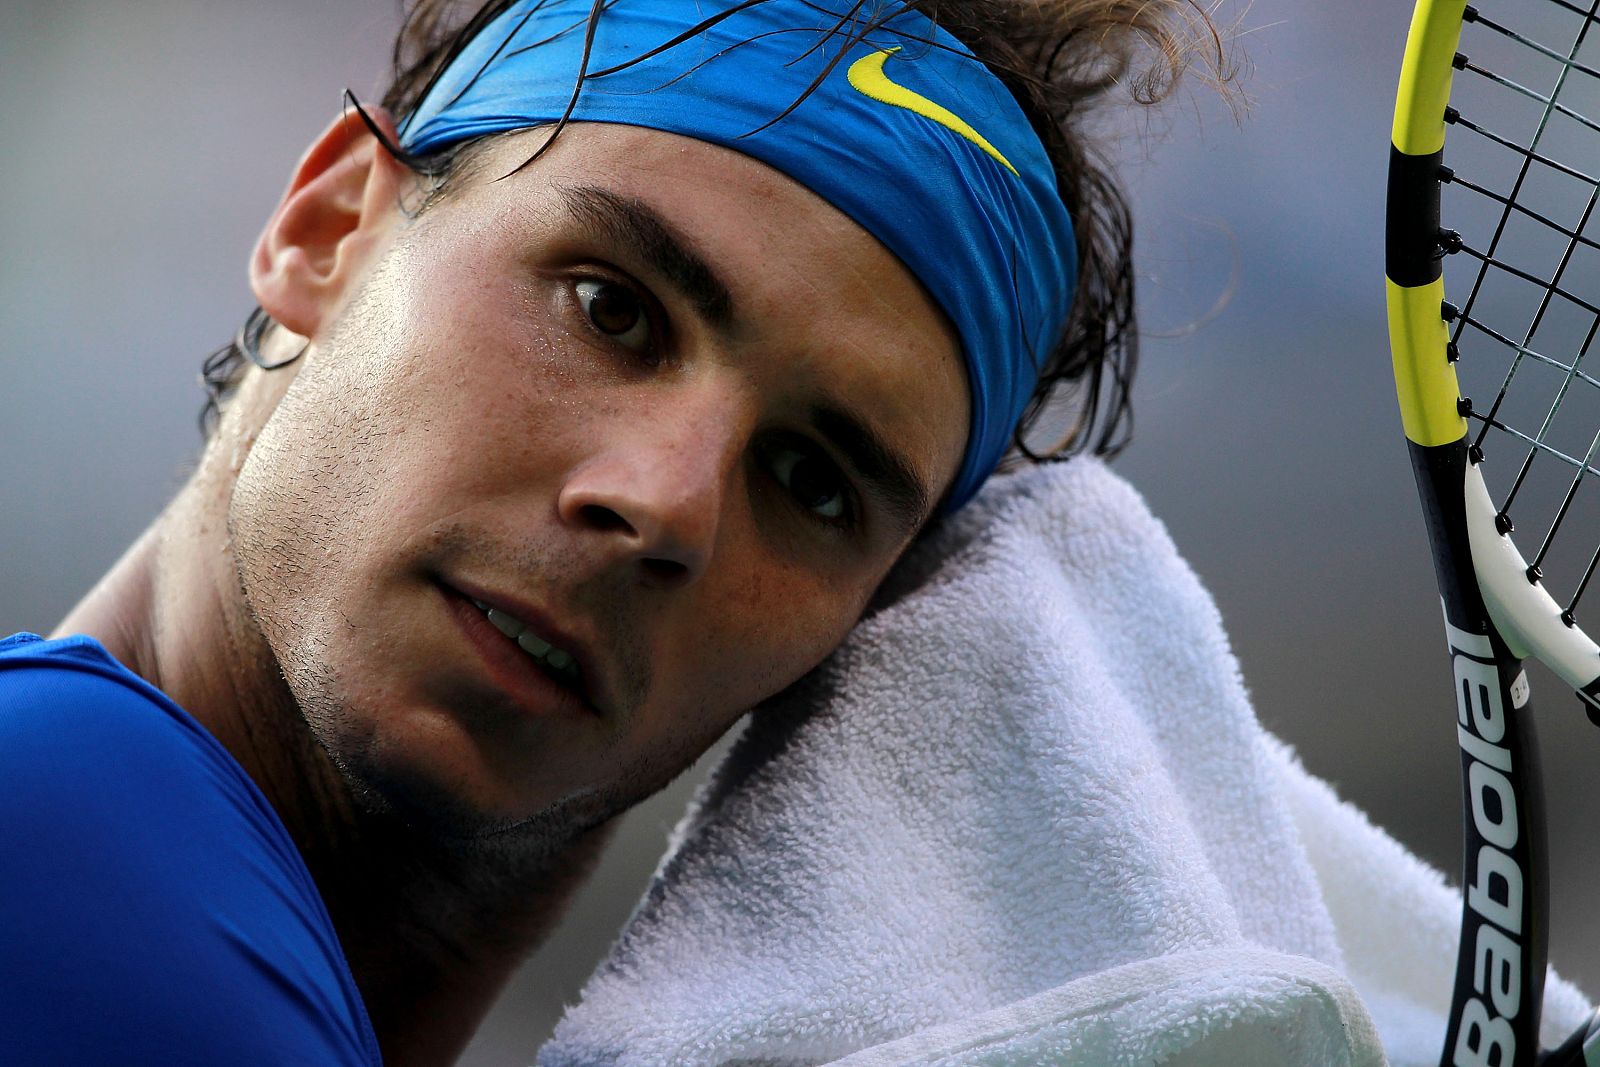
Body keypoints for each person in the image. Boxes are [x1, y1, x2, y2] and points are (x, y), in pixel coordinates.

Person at [0, 0, 1226, 1063]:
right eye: (610, 309)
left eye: (811, 480)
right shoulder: (53, 834)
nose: (665, 503)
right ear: (330, 231)